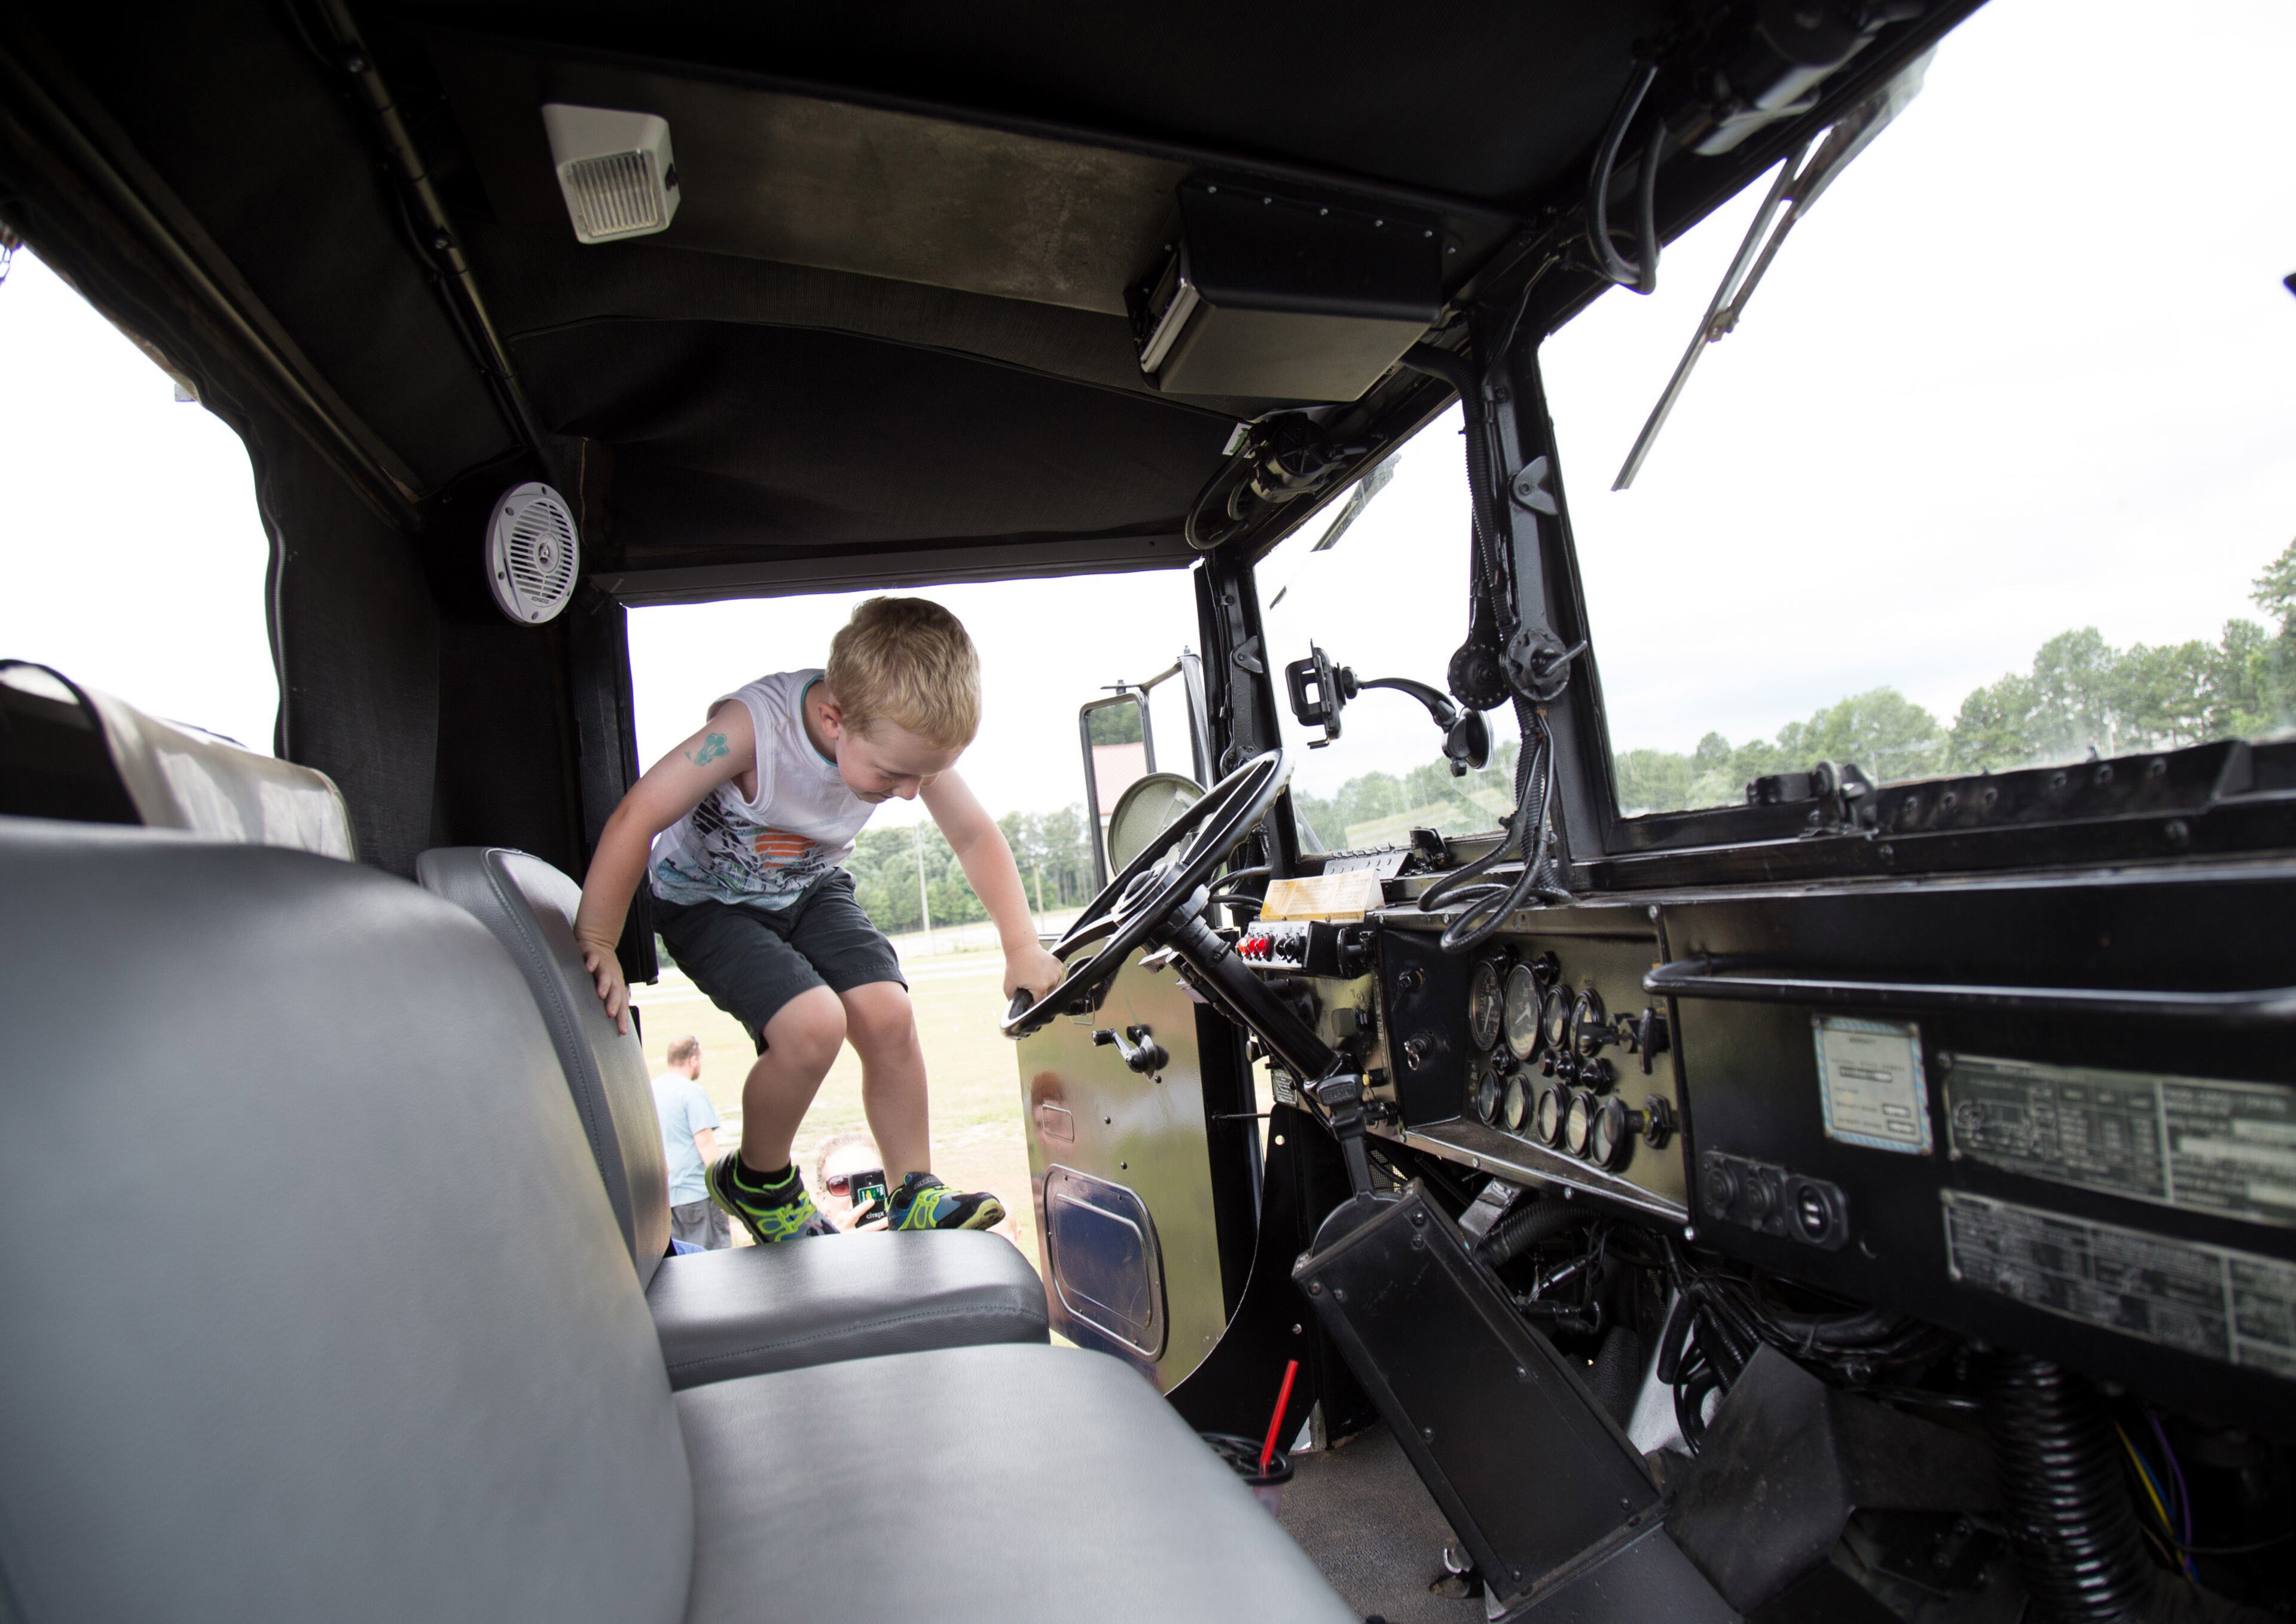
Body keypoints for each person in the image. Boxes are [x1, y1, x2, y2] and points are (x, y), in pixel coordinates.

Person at [574, 596, 1064, 1244]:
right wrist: (599, 937)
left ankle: (912, 1188)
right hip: (707, 899)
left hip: (807, 886)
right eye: (895, 775)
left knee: (888, 1013)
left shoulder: (897, 736)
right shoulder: (753, 731)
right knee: (813, 1025)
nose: (912, 793)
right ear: (833, 719)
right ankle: (759, 1178)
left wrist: (1021, 945)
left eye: (924, 775)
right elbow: (639, 813)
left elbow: (973, 835)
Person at [652, 1036, 729, 1250]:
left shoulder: (651, 1089)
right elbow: (705, 1143)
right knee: (712, 1263)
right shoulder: (692, 1093)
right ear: (693, 1060)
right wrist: (724, 1189)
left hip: (665, 1197)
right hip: (696, 1196)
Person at [813, 1130, 890, 1232]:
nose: (859, 1196)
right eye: (840, 1185)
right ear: (823, 1200)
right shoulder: (812, 1245)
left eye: (872, 1181)